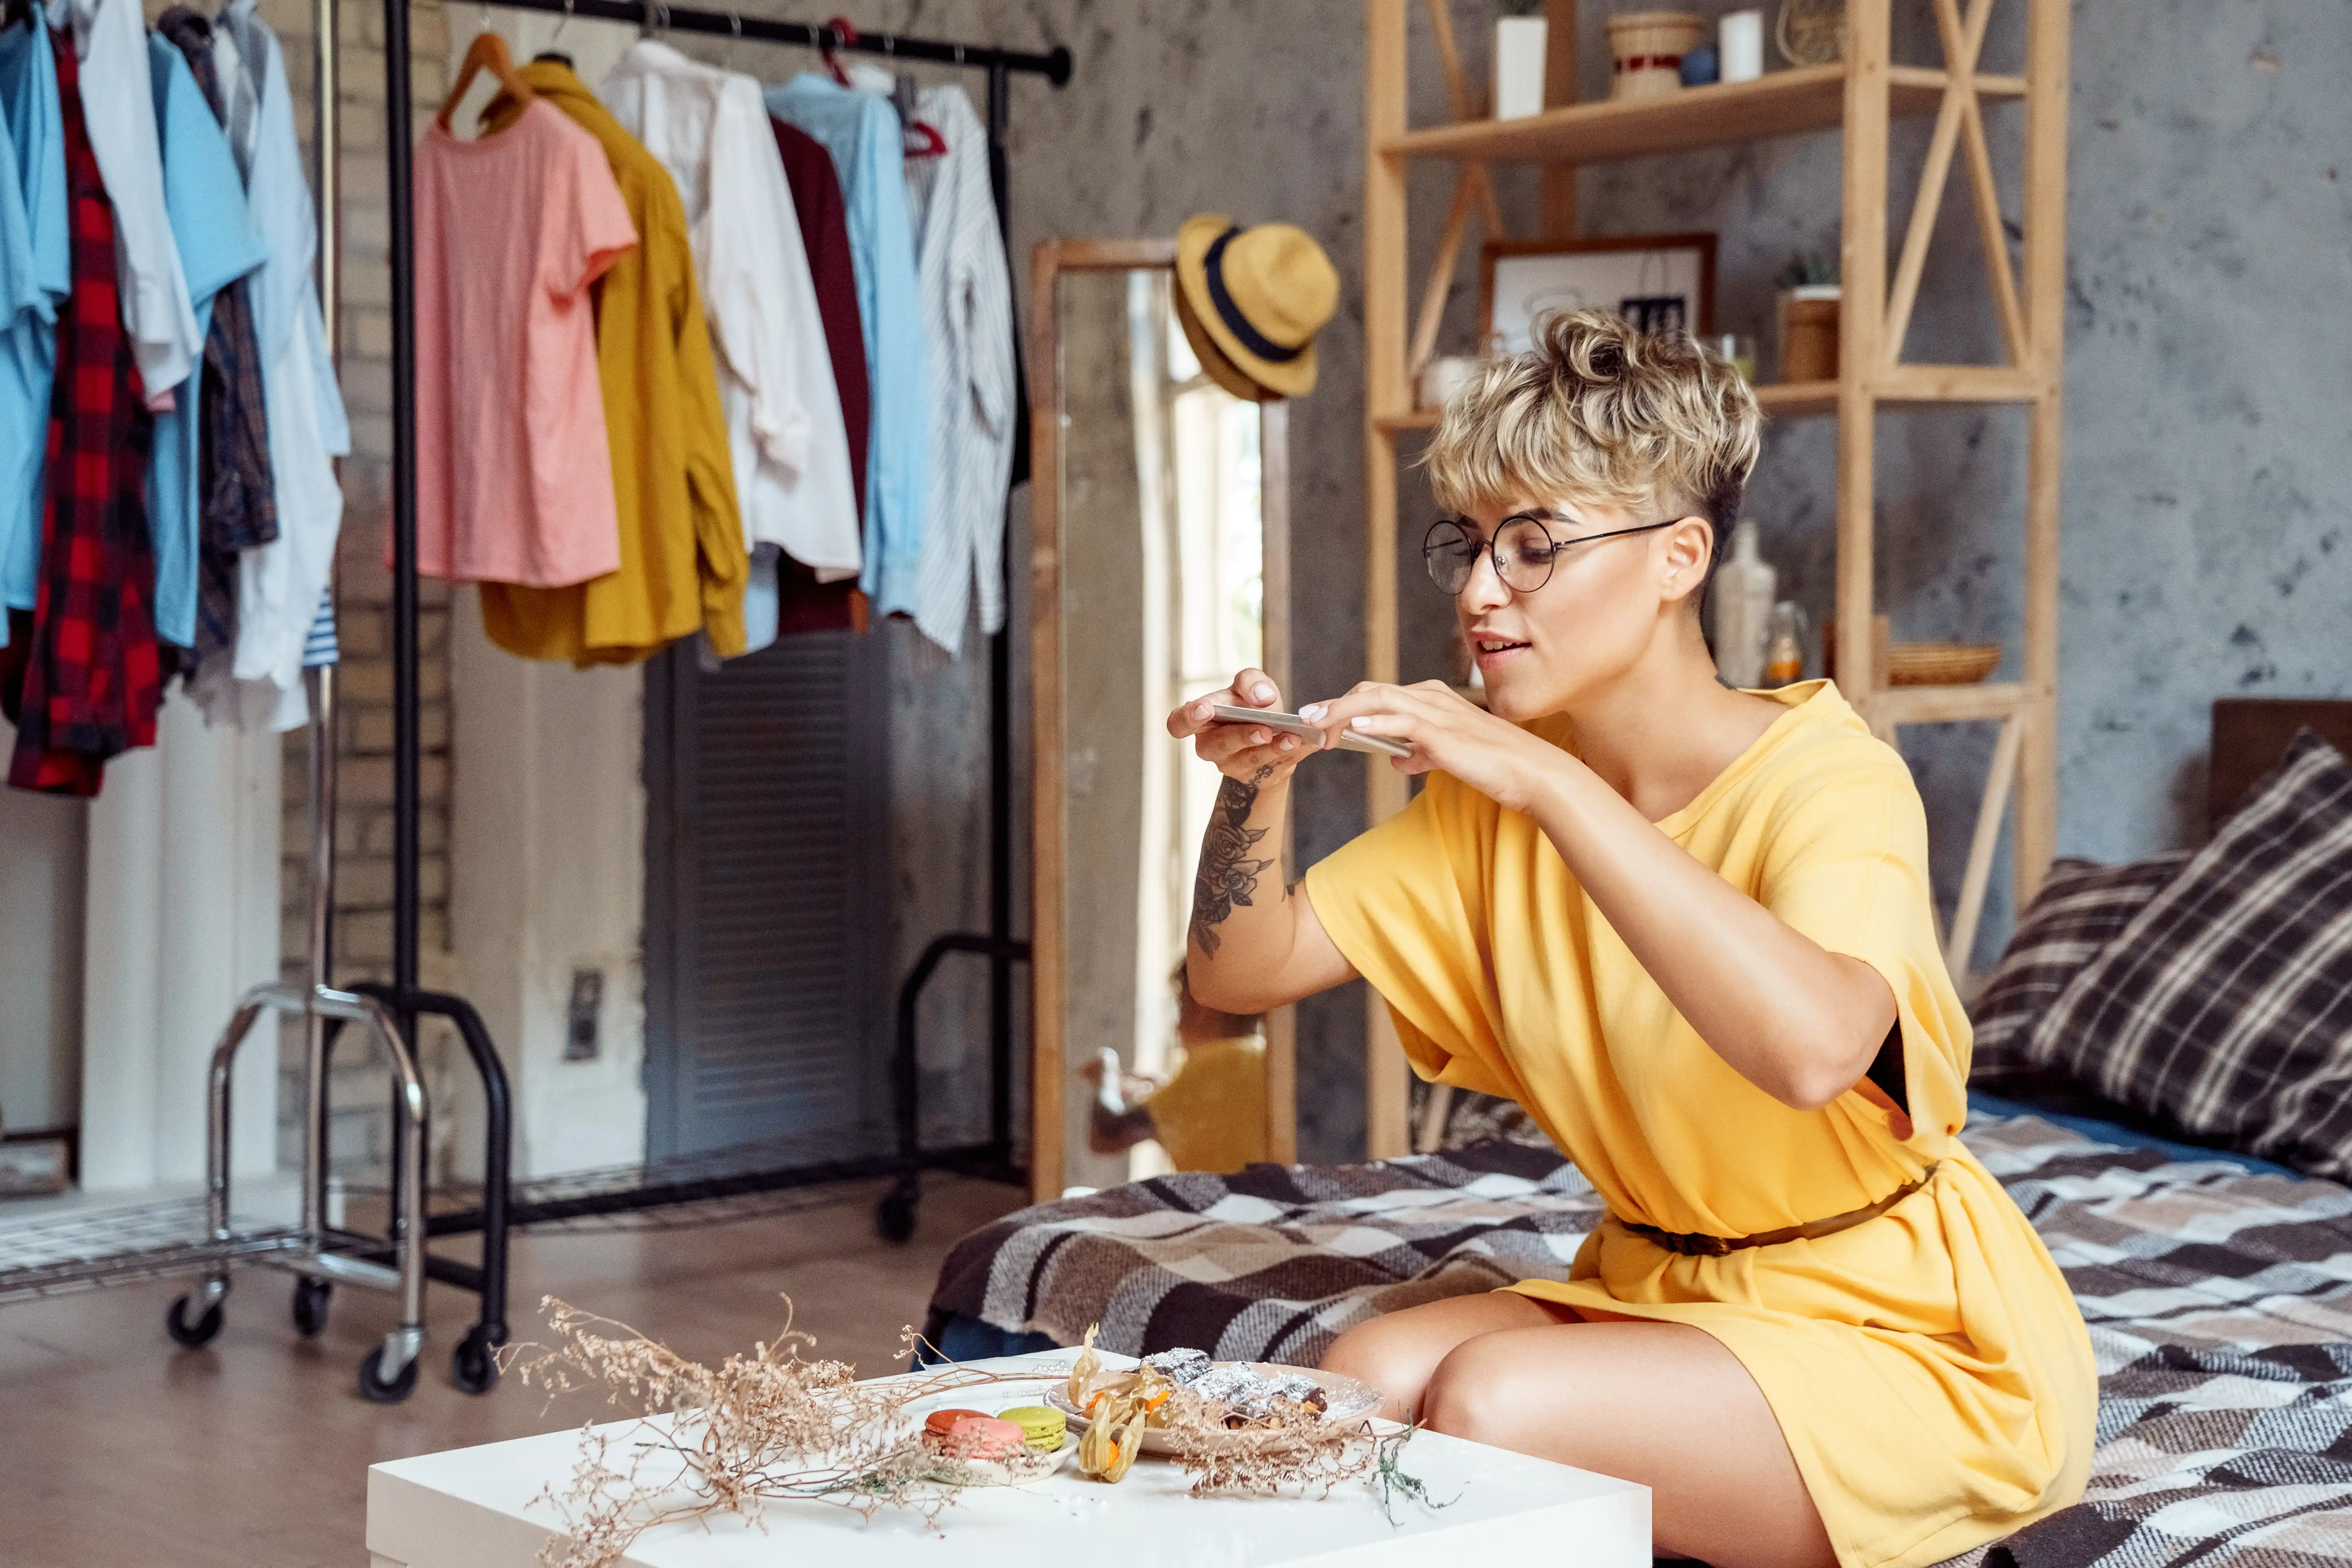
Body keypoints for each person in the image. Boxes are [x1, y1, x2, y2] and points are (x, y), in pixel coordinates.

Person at [1166, 311, 2094, 1568]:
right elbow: (1241, 970)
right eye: (1475, 547)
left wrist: (1549, 789)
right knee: (1365, 1373)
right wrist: (1255, 781)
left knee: (1495, 1404)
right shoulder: (1492, 799)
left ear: (1677, 558)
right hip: (1662, 1286)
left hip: (1905, 1328)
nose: (1483, 593)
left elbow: (1815, 1048)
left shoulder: (1829, 781)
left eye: (1536, 546)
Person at [1078, 966, 1267, 1175]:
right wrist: (1163, 1091)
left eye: (1181, 1004)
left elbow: (1107, 1135)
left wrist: (1106, 1073)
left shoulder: (1216, 1062)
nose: (1178, 1026)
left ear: (1202, 1007)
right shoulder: (1261, 1059)